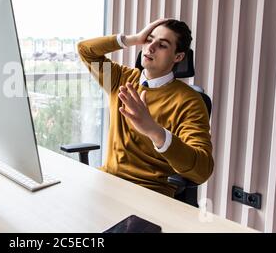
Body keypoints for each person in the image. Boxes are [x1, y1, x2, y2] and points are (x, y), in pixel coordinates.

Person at [77, 19, 214, 197]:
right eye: (149, 40)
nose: (150, 48)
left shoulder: (190, 101)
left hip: (150, 193)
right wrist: (134, 38)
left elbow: (202, 170)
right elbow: (85, 50)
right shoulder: (120, 78)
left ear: (178, 57)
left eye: (162, 45)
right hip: (108, 182)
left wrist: (155, 131)